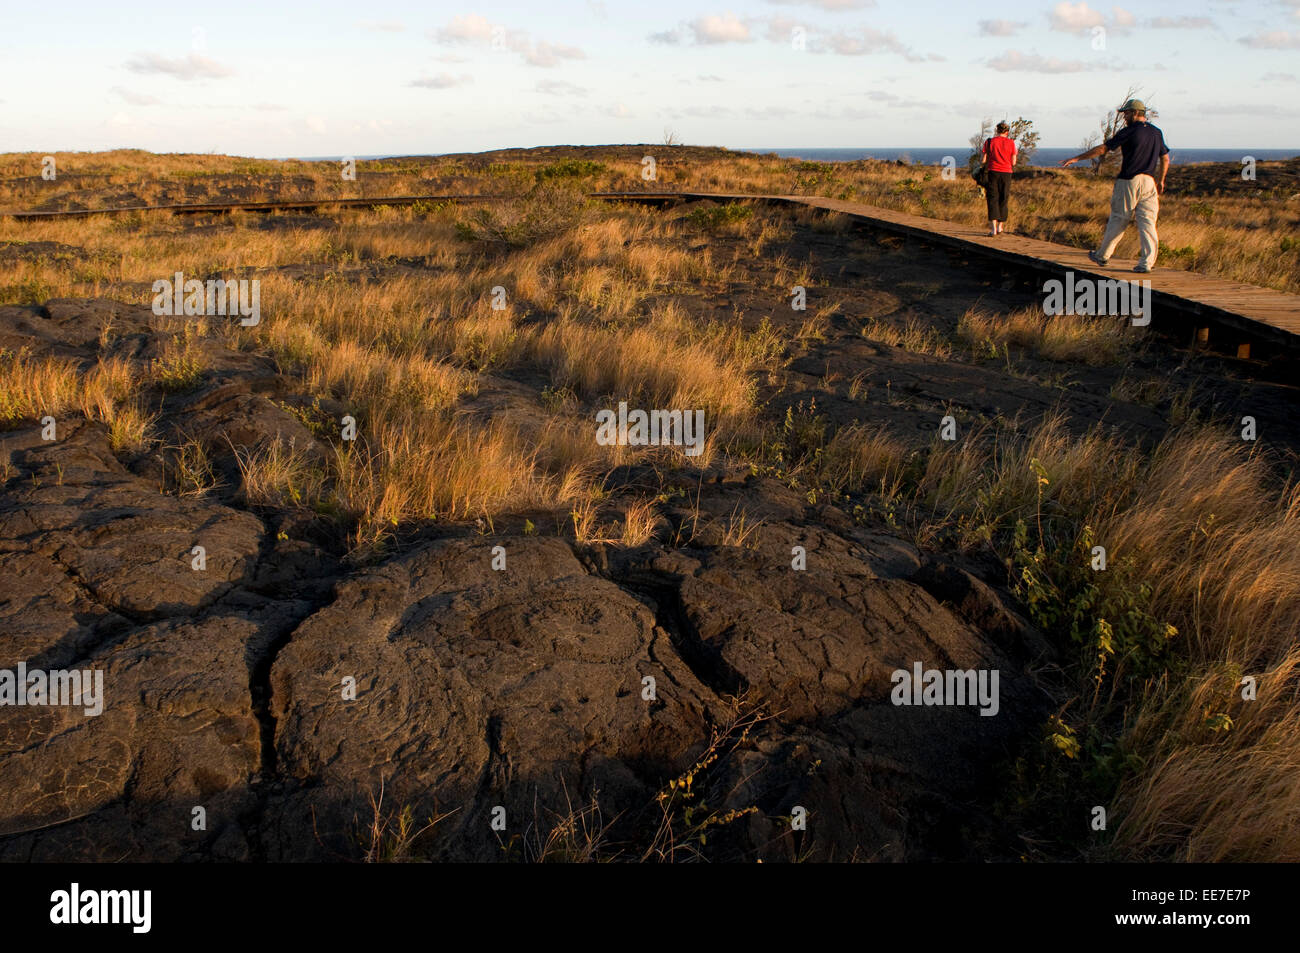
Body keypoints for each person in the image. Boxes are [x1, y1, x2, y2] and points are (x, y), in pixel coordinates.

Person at [1060, 98, 1170, 273]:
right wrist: (1161, 180)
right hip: (1149, 181)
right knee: (1148, 223)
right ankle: (1146, 263)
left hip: (1129, 180)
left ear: (1135, 113)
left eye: (1126, 113)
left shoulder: (1129, 131)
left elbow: (1104, 148)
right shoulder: (1156, 133)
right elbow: (1164, 157)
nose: (1124, 117)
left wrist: (1077, 158)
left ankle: (1103, 255)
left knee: (1119, 218)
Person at [982, 121, 1017, 236]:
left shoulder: (989, 142)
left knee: (992, 198)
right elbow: (1014, 162)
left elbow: (984, 160)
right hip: (1006, 173)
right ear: (1007, 132)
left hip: (993, 172)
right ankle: (1001, 226)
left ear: (997, 130)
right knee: (1004, 198)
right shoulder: (1011, 143)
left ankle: (993, 229)